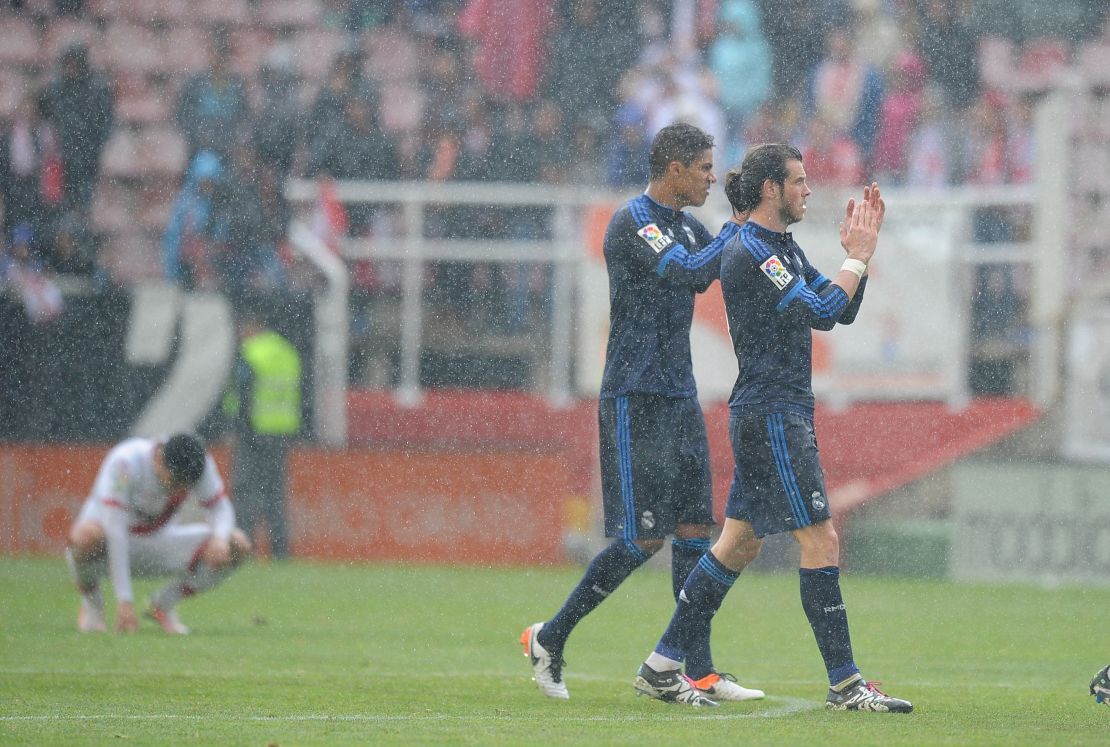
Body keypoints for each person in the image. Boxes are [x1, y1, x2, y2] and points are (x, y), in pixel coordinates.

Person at [632, 143, 913, 712]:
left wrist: (859, 257)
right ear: (770, 189)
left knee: (739, 544)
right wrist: (856, 258)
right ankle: (845, 684)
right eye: (800, 181)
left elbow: (841, 310)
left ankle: (661, 665)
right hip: (773, 414)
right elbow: (823, 310)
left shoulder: (777, 245)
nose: (808, 190)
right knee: (821, 540)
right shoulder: (754, 250)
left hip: (772, 411)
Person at [521, 122, 763, 703]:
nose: (711, 176)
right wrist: (733, 232)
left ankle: (696, 670)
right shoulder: (633, 220)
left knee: (692, 534)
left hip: (679, 393)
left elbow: (710, 268)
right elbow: (686, 270)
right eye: (704, 167)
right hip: (634, 395)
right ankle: (549, 637)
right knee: (641, 540)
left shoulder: (688, 225)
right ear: (674, 168)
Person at [65, 433, 252, 635]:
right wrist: (124, 601)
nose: (180, 488)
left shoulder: (201, 464)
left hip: (158, 541)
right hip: (109, 546)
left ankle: (162, 605)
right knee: (84, 537)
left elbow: (221, 508)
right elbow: (115, 532)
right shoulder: (126, 463)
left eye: (185, 484)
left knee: (237, 545)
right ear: (158, 459)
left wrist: (219, 539)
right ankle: (93, 606)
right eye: (176, 480)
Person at [223, 310, 302, 560]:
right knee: (274, 494)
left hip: (252, 432)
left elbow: (243, 394)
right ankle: (280, 553)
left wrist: (236, 429)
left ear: (251, 327)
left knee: (245, 490)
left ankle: (244, 549)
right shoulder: (288, 353)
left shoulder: (251, 353)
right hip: (280, 432)